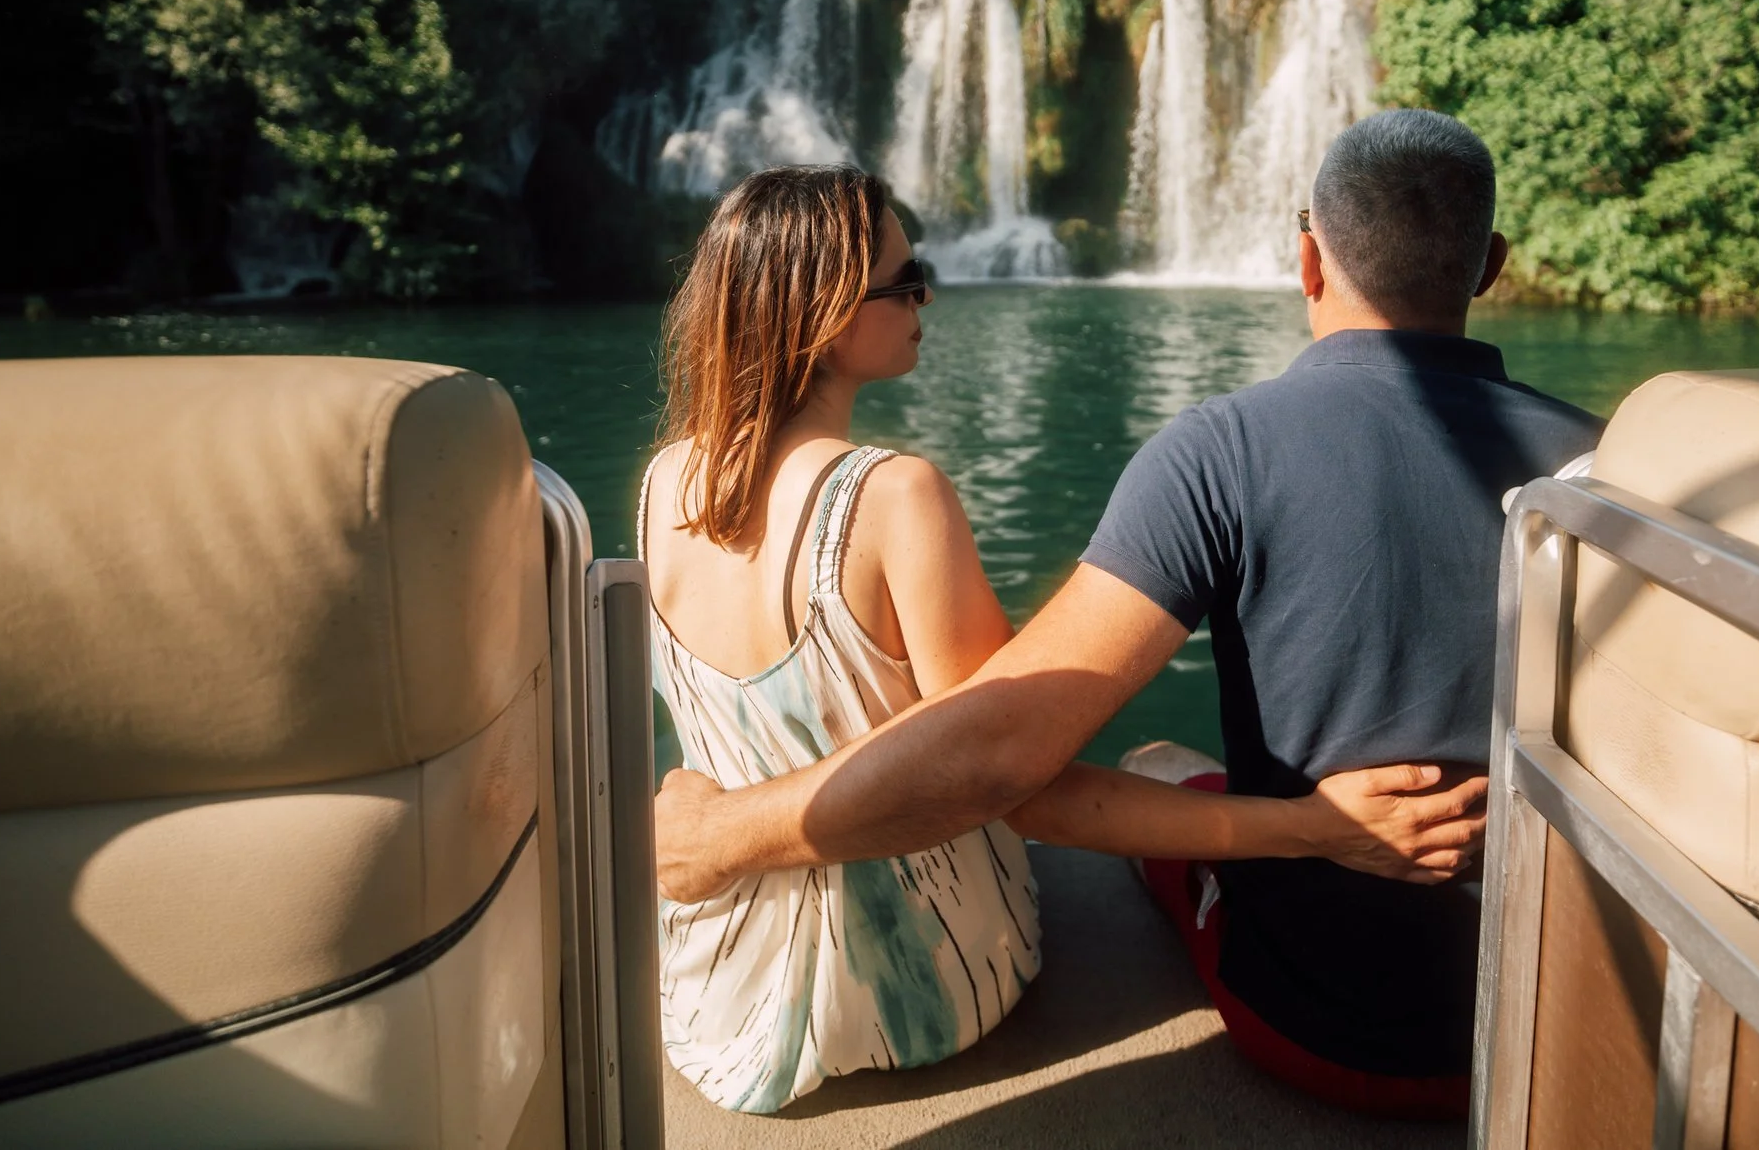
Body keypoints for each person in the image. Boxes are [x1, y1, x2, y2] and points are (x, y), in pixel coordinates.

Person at [656, 111, 1605, 1117]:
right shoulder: (1611, 469)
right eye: (906, 278)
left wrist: (718, 837)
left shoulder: (1218, 452)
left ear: (1307, 259)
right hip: (1550, 1032)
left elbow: (998, 756)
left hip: (1308, 1026)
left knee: (1160, 761)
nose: (925, 293)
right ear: (1490, 264)